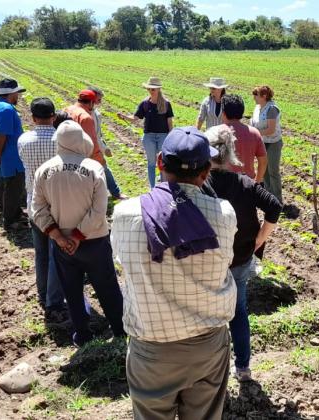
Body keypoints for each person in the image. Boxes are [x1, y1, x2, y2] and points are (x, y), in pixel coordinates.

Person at [111, 126, 237, 419]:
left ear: (159, 163)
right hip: (207, 344)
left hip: (152, 348)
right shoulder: (224, 214)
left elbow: (122, 263)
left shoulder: (126, 214)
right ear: (206, 173)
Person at [30, 121, 125, 346]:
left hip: (62, 245)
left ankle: (82, 334)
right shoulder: (93, 168)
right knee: (107, 287)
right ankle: (121, 330)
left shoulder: (44, 171)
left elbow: (38, 209)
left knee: (71, 290)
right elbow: (99, 210)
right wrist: (78, 236)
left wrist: (59, 236)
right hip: (93, 241)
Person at [204, 125, 282, 383]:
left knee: (210, 315)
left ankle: (213, 371)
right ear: (230, 154)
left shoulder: (201, 186)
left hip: (210, 260)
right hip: (240, 258)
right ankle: (243, 367)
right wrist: (259, 239)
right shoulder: (244, 183)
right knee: (238, 311)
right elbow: (274, 207)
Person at [17, 98, 65, 313]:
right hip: (59, 203)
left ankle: (42, 291)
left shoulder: (24, 139)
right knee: (58, 252)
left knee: (41, 252)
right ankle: (54, 299)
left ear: (33, 118)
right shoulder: (60, 140)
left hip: (34, 203)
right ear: (53, 116)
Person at [118, 77, 175, 188]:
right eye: (149, 89)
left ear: (158, 89)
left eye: (153, 89)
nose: (150, 91)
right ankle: (152, 188)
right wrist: (124, 117)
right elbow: (135, 118)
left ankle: (164, 187)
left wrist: (171, 136)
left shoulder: (166, 104)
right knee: (151, 163)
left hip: (163, 136)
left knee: (163, 163)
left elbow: (169, 122)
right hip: (149, 137)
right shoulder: (145, 103)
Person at [0, 78, 27, 230]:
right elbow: (0, 135)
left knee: (9, 186)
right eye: (17, 93)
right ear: (11, 93)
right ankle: (10, 221)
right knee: (13, 188)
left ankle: (16, 213)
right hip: (11, 158)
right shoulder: (7, 109)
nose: (18, 96)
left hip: (5, 156)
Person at [250, 85, 291, 215]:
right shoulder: (257, 107)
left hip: (273, 143)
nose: (254, 98)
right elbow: (253, 122)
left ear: (264, 96)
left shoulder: (272, 109)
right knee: (265, 171)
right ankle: (269, 199)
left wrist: (255, 132)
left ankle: (278, 201)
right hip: (262, 142)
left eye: (256, 95)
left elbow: (271, 130)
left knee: (273, 171)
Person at [88, 86, 127, 200]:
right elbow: (94, 136)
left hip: (96, 146)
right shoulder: (88, 115)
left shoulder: (96, 113)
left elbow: (98, 134)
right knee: (103, 168)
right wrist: (104, 149)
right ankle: (114, 193)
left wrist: (104, 146)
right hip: (90, 147)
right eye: (98, 100)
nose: (100, 103)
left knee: (103, 168)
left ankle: (114, 192)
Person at [221, 94, 267, 183]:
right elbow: (263, 161)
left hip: (224, 184)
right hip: (248, 183)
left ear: (223, 113)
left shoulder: (216, 132)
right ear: (242, 113)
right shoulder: (254, 133)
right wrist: (256, 183)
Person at [64, 90, 105, 168]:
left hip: (67, 155)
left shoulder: (67, 109)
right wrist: (99, 159)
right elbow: (92, 142)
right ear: (91, 102)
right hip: (83, 157)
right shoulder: (85, 117)